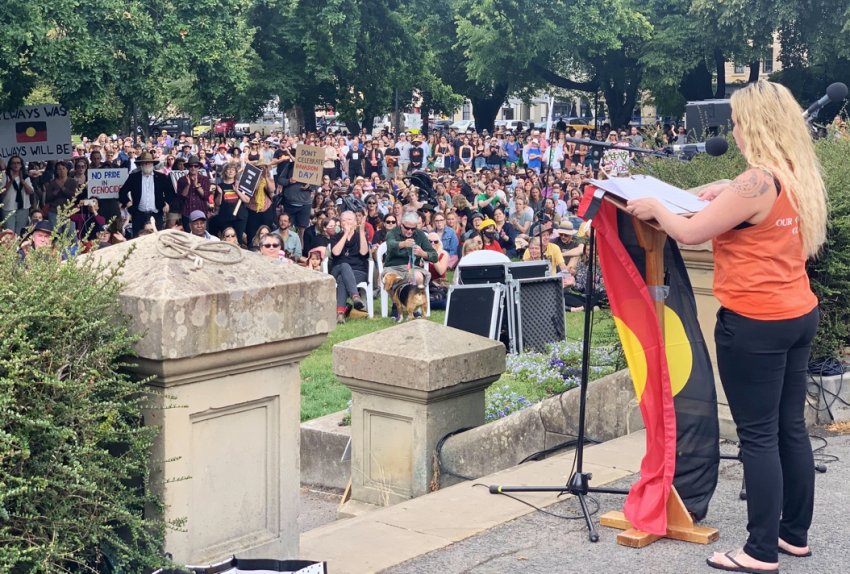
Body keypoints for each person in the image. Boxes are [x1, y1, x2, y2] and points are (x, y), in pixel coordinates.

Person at [626, 80, 827, 574]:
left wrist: (655, 210)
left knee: (757, 437)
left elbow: (692, 231)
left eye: (737, 121)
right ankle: (792, 534)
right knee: (789, 429)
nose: (732, 130)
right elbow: (731, 208)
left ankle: (758, 551)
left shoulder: (755, 181)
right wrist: (715, 192)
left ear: (756, 124)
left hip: (755, 322)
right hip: (797, 313)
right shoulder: (794, 174)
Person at [330, 211, 369, 324]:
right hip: (337, 269)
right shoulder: (335, 237)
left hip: (358, 271)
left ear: (356, 222)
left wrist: (361, 231)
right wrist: (346, 233)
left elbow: (363, 253)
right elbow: (336, 253)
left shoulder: (360, 236)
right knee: (344, 266)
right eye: (344, 220)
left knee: (343, 279)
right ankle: (355, 296)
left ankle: (340, 314)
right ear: (340, 223)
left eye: (350, 219)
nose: (347, 222)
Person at [118, 151, 174, 232]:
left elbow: (170, 193)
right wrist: (128, 202)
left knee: (156, 239)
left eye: (149, 163)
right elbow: (122, 192)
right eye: (145, 163)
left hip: (156, 213)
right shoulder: (133, 177)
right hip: (138, 214)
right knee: (137, 240)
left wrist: (167, 203)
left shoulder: (161, 177)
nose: (147, 165)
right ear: (141, 165)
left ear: (152, 164)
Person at [383, 210, 438, 289]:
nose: (410, 231)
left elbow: (435, 256)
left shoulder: (420, 234)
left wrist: (423, 253)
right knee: (391, 278)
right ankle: (399, 299)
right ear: (401, 224)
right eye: (407, 228)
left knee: (418, 277)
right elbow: (390, 245)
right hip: (393, 267)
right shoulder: (392, 233)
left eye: (413, 229)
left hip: (413, 268)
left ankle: (417, 299)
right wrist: (403, 244)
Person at [2, 155, 34, 234]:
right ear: (10, 165)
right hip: (8, 207)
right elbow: (2, 191)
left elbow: (30, 191)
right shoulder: (5, 176)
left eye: (18, 163)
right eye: (13, 163)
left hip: (23, 207)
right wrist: (11, 180)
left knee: (20, 232)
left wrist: (23, 181)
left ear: (21, 165)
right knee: (9, 232)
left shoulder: (26, 177)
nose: (16, 165)